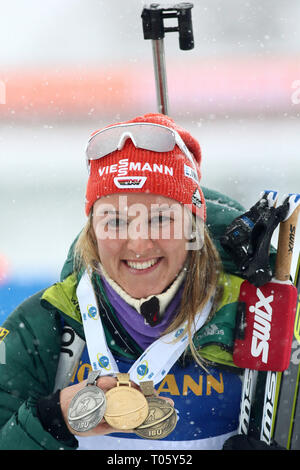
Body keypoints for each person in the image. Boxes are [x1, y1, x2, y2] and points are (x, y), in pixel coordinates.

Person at [0, 113, 258, 451]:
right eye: (116, 221)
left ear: (193, 228)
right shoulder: (41, 326)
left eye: (161, 219)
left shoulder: (259, 318)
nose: (138, 244)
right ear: (93, 231)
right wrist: (49, 421)